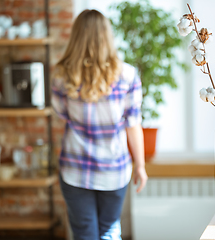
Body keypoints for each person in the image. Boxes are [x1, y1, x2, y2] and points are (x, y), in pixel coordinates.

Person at [51, 9, 148, 240]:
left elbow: (61, 114)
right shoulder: (127, 75)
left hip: (75, 169)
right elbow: (133, 125)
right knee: (109, 230)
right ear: (107, 36)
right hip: (113, 170)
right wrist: (141, 166)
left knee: (84, 233)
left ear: (75, 36)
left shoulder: (61, 76)